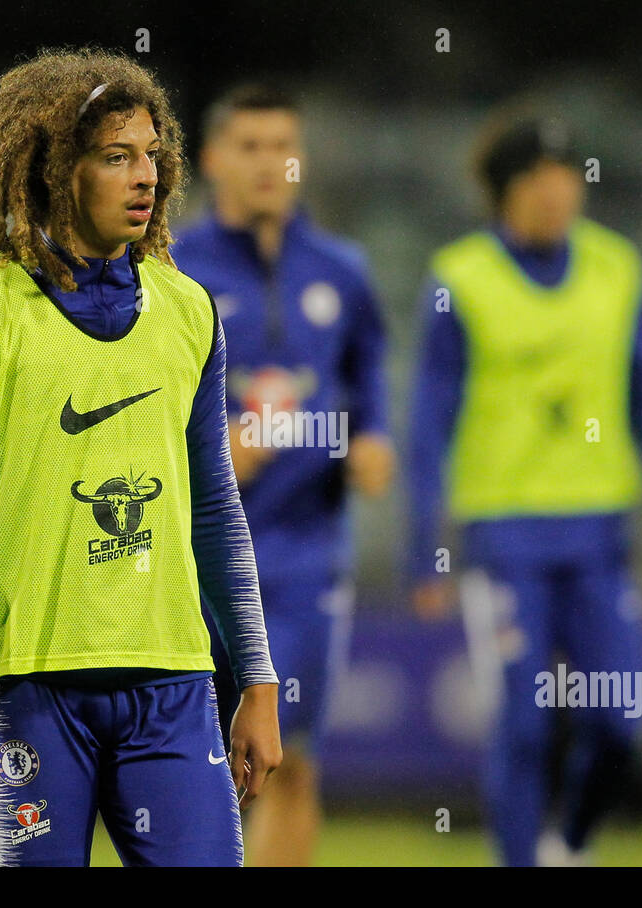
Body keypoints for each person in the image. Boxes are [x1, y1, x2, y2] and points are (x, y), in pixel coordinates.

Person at [0, 48, 281, 867]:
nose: (145, 176)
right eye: (116, 157)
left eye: (151, 155)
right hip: (27, 692)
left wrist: (256, 678)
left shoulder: (190, 312)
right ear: (54, 172)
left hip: (174, 685)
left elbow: (215, 508)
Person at [408, 106, 642, 866]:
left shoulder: (617, 267)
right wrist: (423, 550)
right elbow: (429, 423)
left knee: (620, 719)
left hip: (600, 537)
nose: (556, 192)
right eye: (537, 178)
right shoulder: (459, 280)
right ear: (504, 190)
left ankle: (568, 846)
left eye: (567, 175)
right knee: (525, 723)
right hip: (504, 539)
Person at [173, 84, 393, 866]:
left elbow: (369, 370)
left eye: (283, 146)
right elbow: (129, 397)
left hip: (306, 553)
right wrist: (201, 446)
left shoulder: (342, 270)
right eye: (252, 146)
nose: (271, 163)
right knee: (191, 769)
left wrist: (374, 437)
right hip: (194, 555)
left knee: (288, 760)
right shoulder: (169, 270)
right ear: (212, 160)